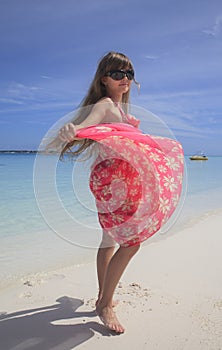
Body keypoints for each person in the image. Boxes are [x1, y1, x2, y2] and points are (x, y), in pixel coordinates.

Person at [54, 51, 184, 334]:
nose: (124, 79)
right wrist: (73, 129)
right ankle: (105, 304)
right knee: (132, 243)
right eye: (117, 74)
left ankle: (104, 296)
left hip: (114, 180)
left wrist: (131, 128)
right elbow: (86, 125)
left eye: (129, 74)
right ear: (104, 79)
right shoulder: (103, 105)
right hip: (114, 182)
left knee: (108, 240)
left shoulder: (119, 108)